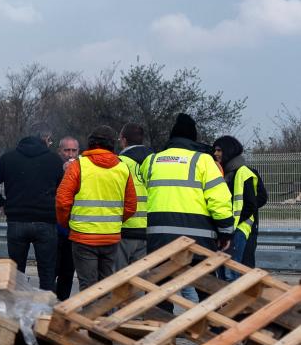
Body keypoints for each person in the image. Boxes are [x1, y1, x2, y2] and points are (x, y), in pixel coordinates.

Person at [0, 127, 64, 291]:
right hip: (46, 222)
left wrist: (1, 203)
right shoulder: (54, 160)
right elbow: (64, 190)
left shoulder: (9, 158)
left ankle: (17, 311)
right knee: (47, 274)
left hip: (16, 222)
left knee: (16, 275)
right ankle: (45, 312)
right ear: (45, 140)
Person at [56, 126, 137, 291]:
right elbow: (131, 205)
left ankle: (88, 317)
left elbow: (62, 201)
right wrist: (114, 222)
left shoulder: (78, 166)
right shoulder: (122, 168)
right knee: (105, 286)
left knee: (88, 286)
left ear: (90, 144)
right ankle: (102, 316)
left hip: (83, 237)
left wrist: (67, 224)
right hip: (110, 237)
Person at [141, 114, 234, 254]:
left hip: (158, 242)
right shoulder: (203, 161)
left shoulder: (151, 161)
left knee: (160, 276)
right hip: (197, 242)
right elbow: (219, 200)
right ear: (193, 139)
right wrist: (226, 232)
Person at [213, 136, 267, 278]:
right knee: (226, 273)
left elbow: (256, 201)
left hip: (240, 229)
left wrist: (234, 219)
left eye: (219, 150)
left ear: (229, 151)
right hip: (228, 229)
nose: (216, 153)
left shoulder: (245, 172)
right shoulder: (223, 174)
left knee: (235, 274)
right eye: (215, 150)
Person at [115, 123, 154, 271]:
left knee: (118, 282)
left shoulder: (120, 163)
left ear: (124, 140)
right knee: (140, 281)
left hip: (125, 229)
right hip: (148, 230)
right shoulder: (155, 162)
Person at [54, 136, 80, 300]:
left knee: (68, 271)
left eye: (73, 150)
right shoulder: (53, 166)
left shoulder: (83, 169)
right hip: (54, 227)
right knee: (52, 269)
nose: (70, 154)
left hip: (74, 228)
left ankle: (63, 302)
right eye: (66, 150)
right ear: (59, 151)